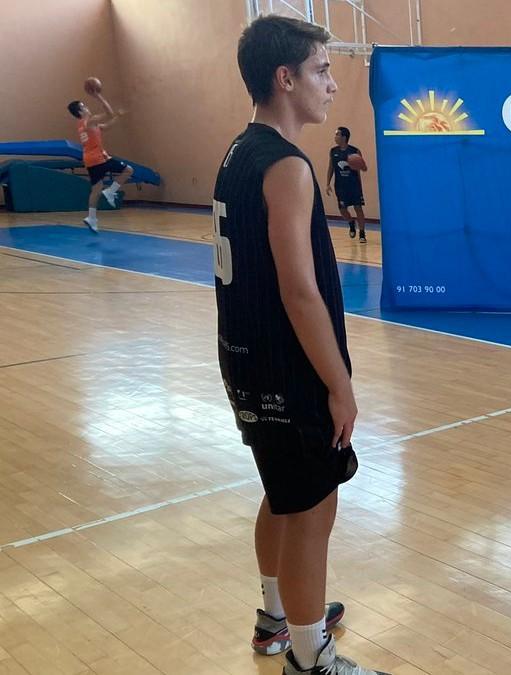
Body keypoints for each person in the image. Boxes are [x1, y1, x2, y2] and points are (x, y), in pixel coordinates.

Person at [213, 14, 387, 675]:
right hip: (287, 367)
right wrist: (339, 383)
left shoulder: (239, 149)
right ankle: (310, 659)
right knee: (314, 502)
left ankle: (274, 618)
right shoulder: (287, 166)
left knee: (281, 490)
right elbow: (300, 291)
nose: (332, 84)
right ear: (285, 78)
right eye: (321, 70)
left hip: (243, 357)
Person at [67, 91, 133, 232]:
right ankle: (110, 192)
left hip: (90, 160)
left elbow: (106, 126)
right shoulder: (89, 121)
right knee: (128, 170)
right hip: (98, 158)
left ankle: (91, 218)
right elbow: (109, 113)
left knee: (96, 190)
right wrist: (99, 96)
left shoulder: (84, 125)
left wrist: (118, 117)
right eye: (84, 106)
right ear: (80, 111)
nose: (87, 107)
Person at [326, 126, 368, 242]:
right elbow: (331, 168)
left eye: (337, 134)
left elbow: (364, 168)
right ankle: (351, 222)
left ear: (344, 137)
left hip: (354, 185)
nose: (335, 137)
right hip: (340, 186)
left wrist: (360, 164)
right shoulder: (333, 151)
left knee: (358, 208)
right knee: (343, 210)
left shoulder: (355, 151)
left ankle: (362, 233)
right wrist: (327, 183)